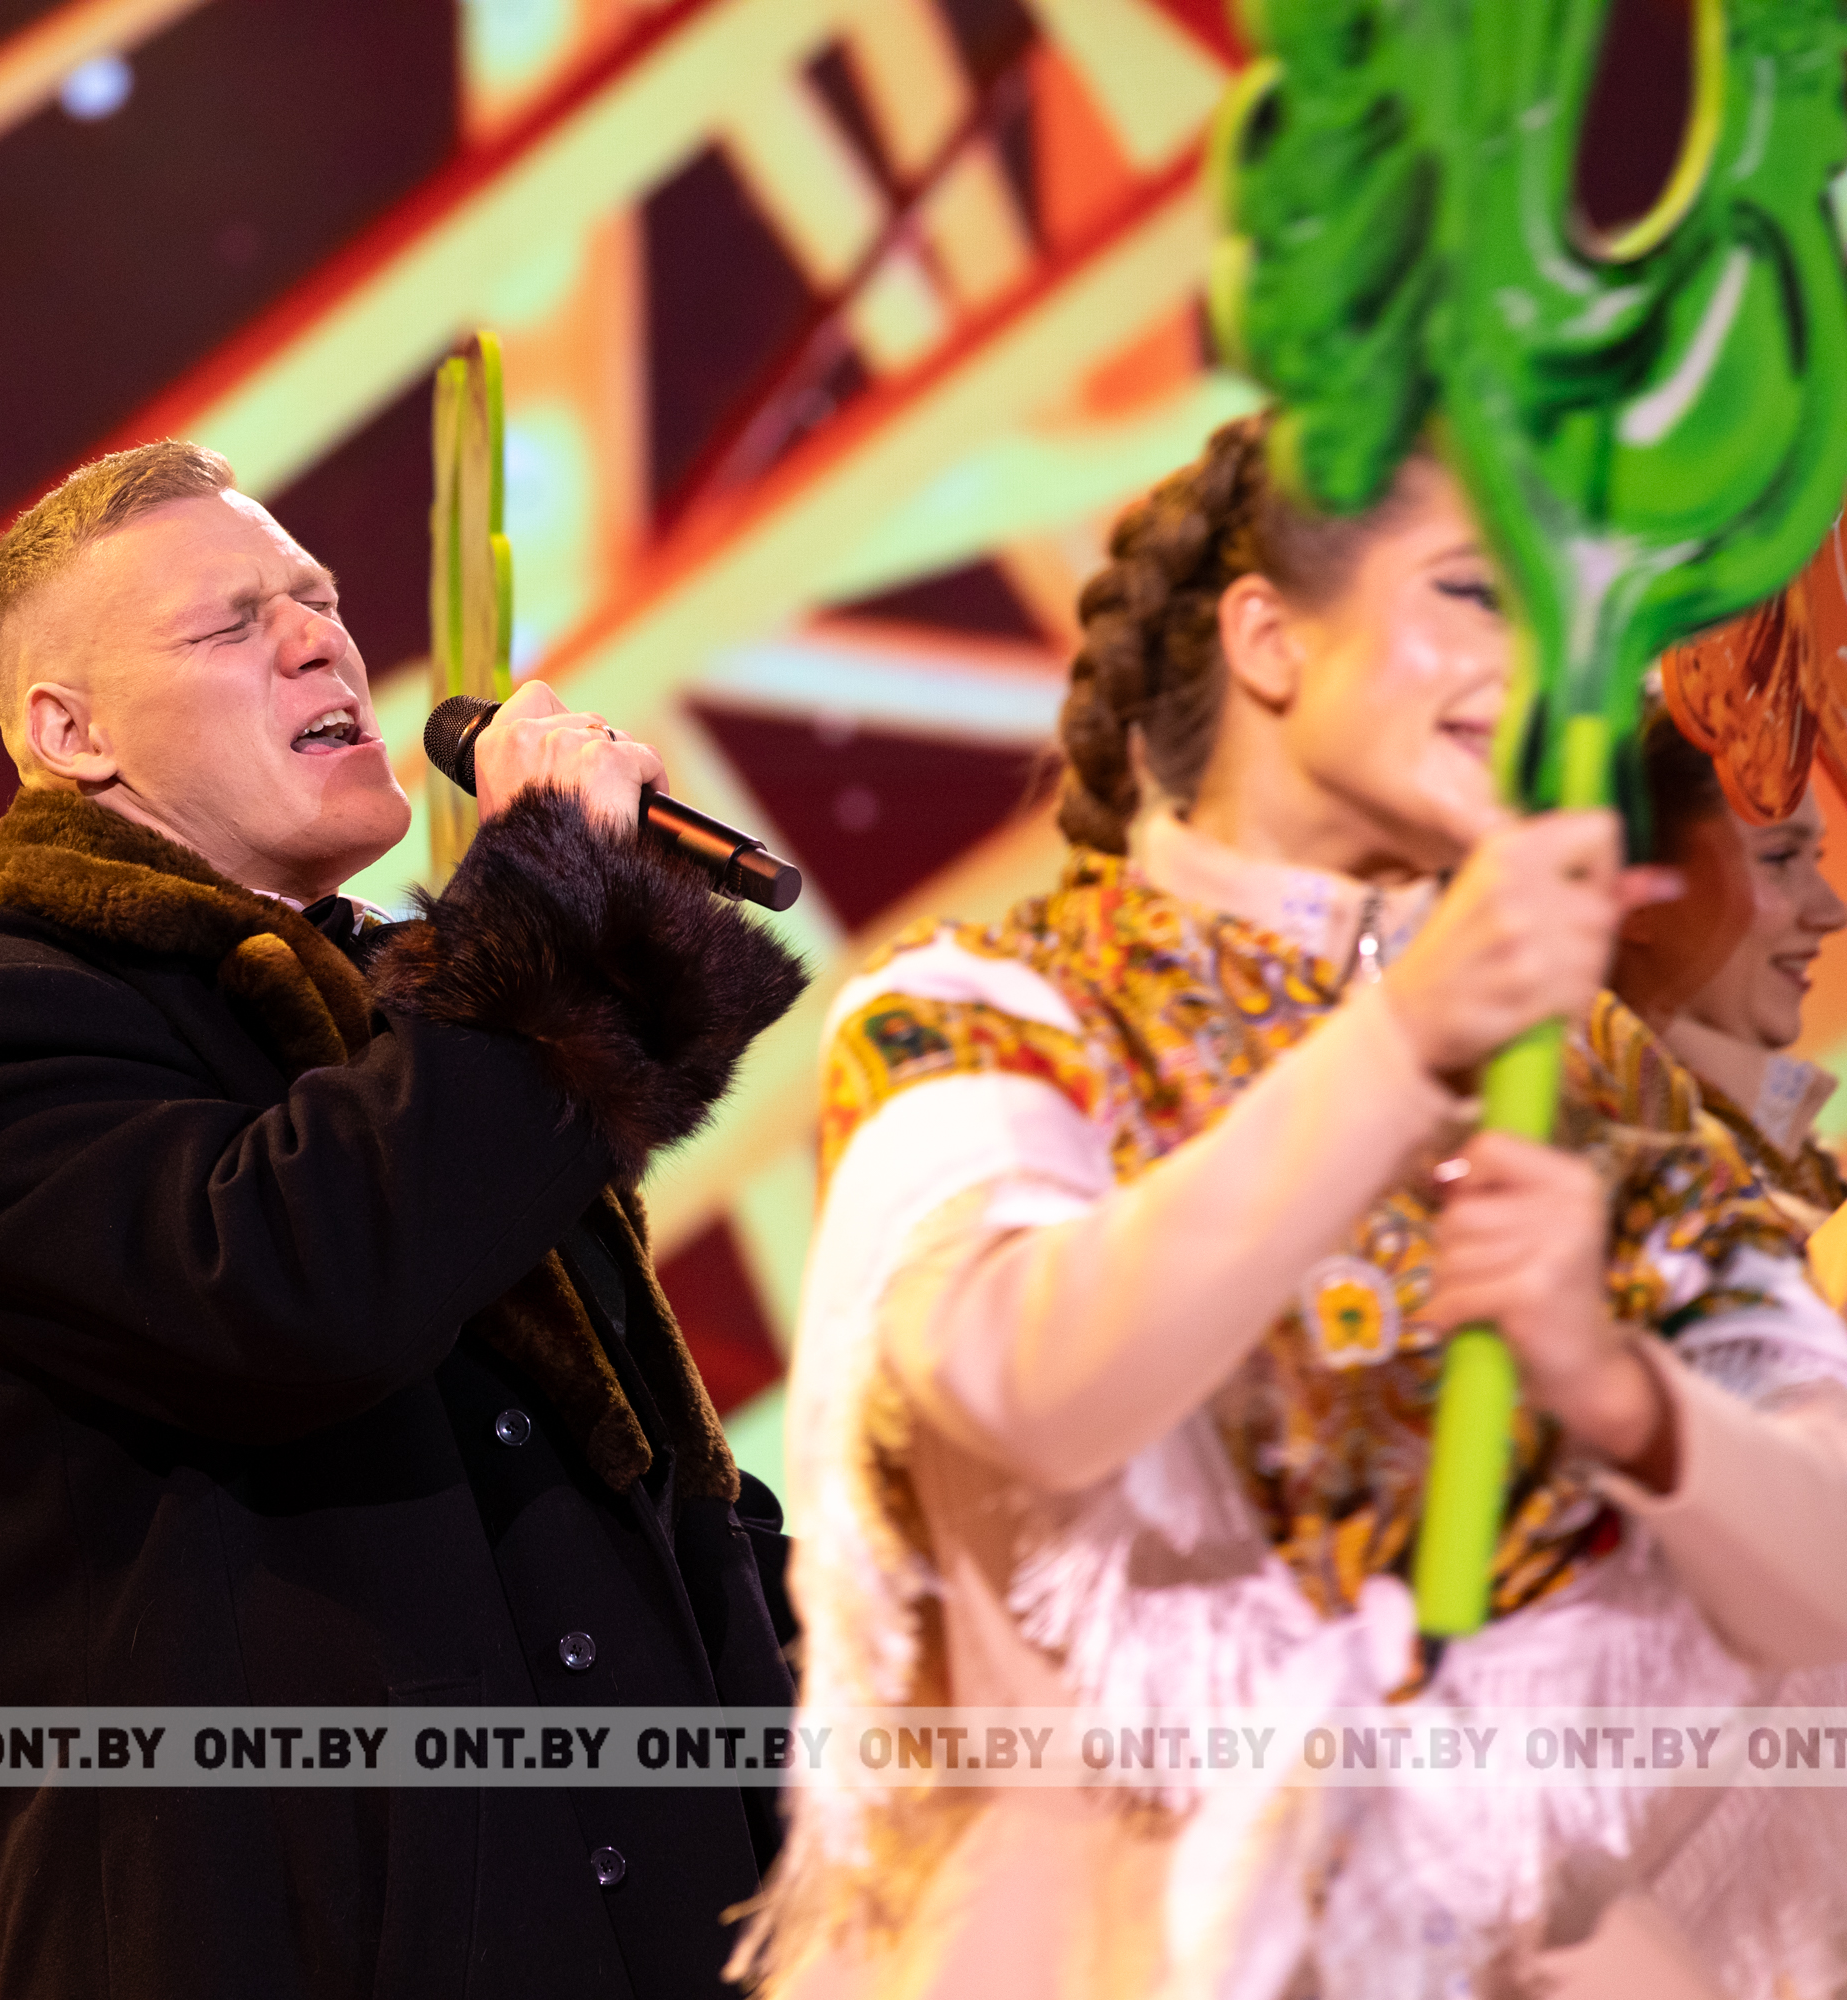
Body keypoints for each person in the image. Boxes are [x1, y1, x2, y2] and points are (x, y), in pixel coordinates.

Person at [744, 416, 1847, 2000]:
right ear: (1269, 639)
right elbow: (1021, 1382)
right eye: (1477, 594)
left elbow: (1824, 1570)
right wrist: (1400, 1047)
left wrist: (1625, 1392)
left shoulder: (1599, 1095)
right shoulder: (997, 1007)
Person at [0, 439, 808, 1999]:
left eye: (321, 600)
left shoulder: (398, 1003)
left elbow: (622, 1444)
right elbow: (300, 1286)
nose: (318, 641)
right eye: (231, 624)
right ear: (70, 733)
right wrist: (542, 898)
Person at [1614, 704, 1847, 1227]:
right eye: (1779, 858)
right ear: (1633, 896)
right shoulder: (1587, 1149)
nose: (1833, 912)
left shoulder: (1792, 1156)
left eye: (1815, 858)